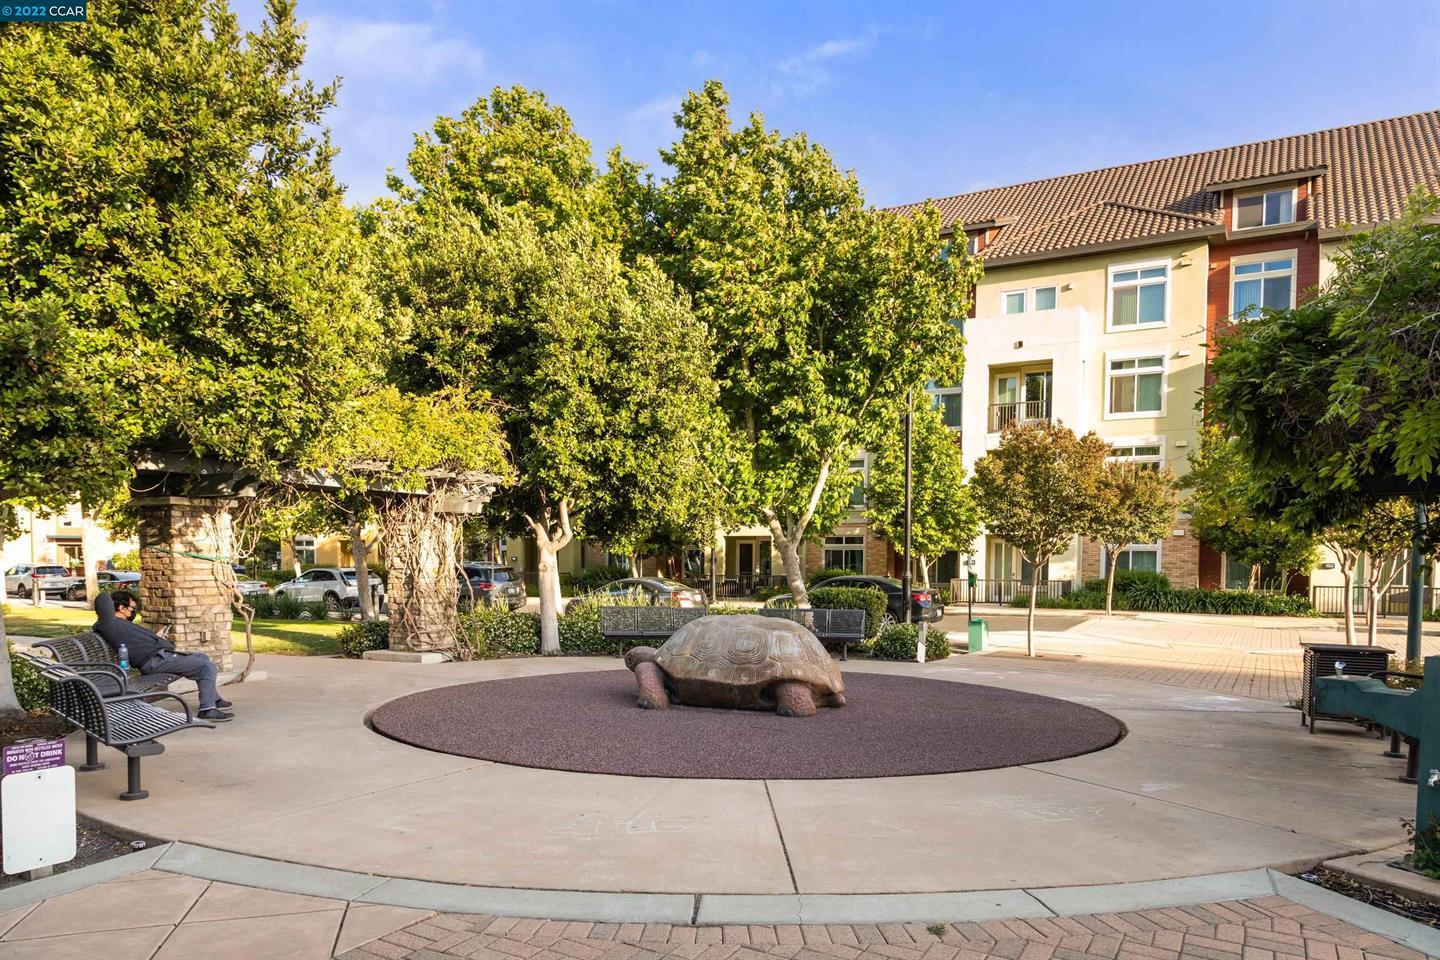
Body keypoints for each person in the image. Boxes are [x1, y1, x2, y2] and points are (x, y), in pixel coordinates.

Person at [94, 590, 233, 721]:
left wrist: (156, 638)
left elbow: (136, 641)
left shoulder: (121, 624)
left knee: (202, 658)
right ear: (120, 608)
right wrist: (106, 594)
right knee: (205, 666)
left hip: (159, 657)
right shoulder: (109, 624)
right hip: (154, 661)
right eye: (131, 608)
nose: (134, 612)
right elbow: (102, 599)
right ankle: (207, 709)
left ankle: (214, 699)